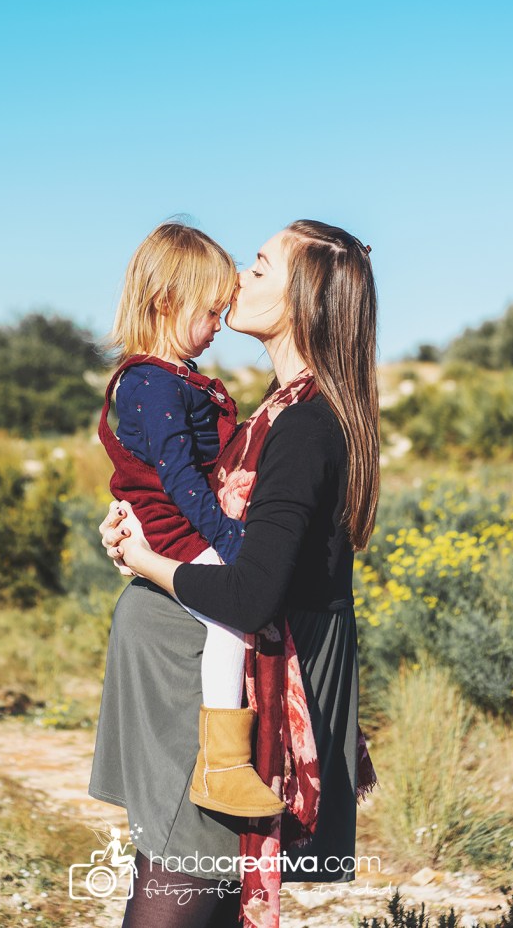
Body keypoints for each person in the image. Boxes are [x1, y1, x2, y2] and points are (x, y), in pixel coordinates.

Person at [91, 220, 380, 928]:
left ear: (303, 298)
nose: (239, 280)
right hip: (194, 690)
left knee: (176, 897)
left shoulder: (305, 427)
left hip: (234, 702)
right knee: (191, 893)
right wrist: (133, 518)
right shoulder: (278, 412)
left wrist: (149, 563)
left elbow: (252, 592)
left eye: (258, 266)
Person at [99, 220, 285, 818]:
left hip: (173, 526)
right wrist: (231, 541)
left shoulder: (163, 378)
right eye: (209, 314)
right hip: (177, 530)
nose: (215, 329)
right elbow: (180, 480)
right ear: (166, 303)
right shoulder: (151, 382)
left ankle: (225, 762)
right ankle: (222, 765)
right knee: (230, 623)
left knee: (229, 622)